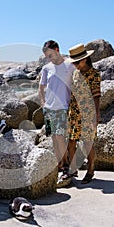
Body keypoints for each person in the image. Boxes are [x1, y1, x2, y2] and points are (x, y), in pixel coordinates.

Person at [65, 43, 101, 184]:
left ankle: (91, 170)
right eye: (73, 62)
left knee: (87, 142)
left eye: (77, 62)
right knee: (71, 141)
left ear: (85, 59)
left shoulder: (94, 74)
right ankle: (73, 169)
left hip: (87, 112)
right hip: (73, 112)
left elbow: (97, 96)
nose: (75, 65)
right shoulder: (75, 73)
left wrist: (96, 115)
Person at [38, 40, 74, 177]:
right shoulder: (46, 68)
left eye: (50, 55)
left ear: (57, 50)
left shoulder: (70, 65)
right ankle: (60, 164)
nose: (49, 58)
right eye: (47, 56)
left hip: (63, 107)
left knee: (60, 137)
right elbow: (41, 87)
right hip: (48, 109)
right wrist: (43, 103)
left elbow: (76, 84)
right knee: (53, 138)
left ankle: (65, 166)